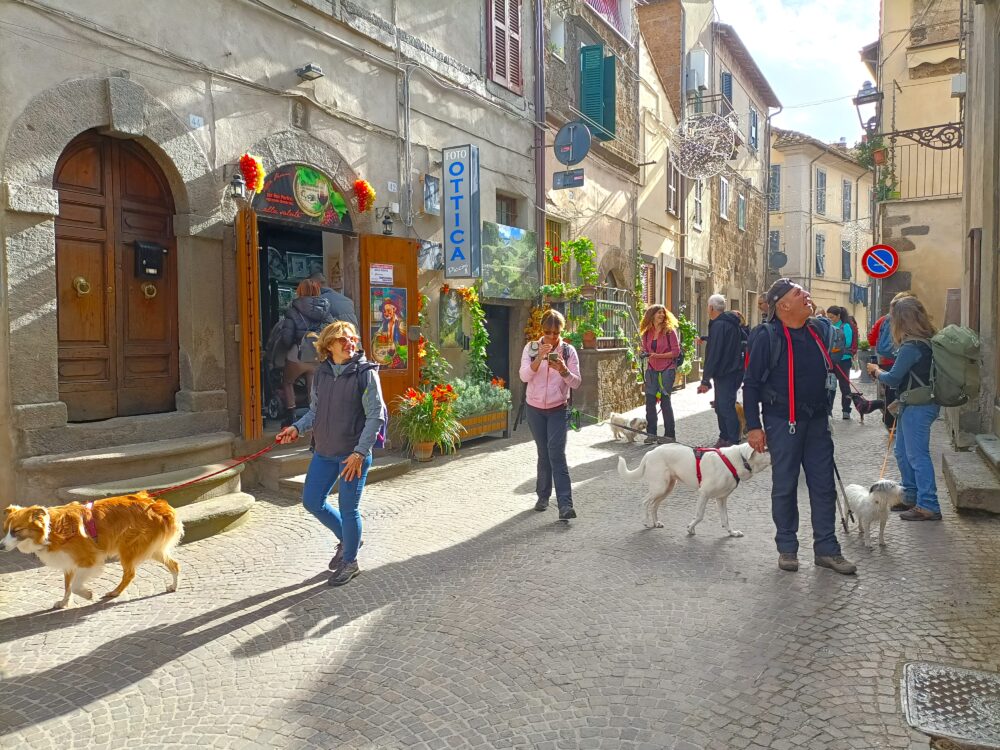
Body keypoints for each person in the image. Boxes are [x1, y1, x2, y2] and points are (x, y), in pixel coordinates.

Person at [743, 278, 856, 575]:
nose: (807, 294)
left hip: (818, 421)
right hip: (782, 422)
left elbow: (840, 346)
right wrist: (753, 427)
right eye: (799, 293)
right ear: (783, 305)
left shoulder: (819, 330)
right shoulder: (766, 336)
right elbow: (751, 383)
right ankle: (787, 548)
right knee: (785, 486)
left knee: (823, 485)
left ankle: (827, 550)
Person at [275, 320, 387, 586]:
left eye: (353, 339)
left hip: (352, 455)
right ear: (328, 345)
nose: (350, 344)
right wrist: (296, 427)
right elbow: (315, 410)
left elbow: (376, 416)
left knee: (349, 509)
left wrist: (360, 453)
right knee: (312, 501)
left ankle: (350, 560)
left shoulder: (365, 373)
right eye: (343, 340)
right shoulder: (322, 373)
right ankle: (351, 539)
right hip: (324, 451)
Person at [867, 296, 942, 521]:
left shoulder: (912, 346)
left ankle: (928, 504)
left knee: (917, 456)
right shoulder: (925, 341)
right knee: (902, 451)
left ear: (901, 320)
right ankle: (910, 497)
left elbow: (893, 377)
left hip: (918, 406)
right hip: (916, 404)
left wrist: (876, 371)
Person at [519, 310, 582, 520]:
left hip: (557, 408)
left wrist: (563, 370)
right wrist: (538, 359)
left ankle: (565, 505)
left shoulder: (568, 351)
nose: (552, 337)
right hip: (534, 408)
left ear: (561, 331)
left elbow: (576, 382)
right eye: (548, 332)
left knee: (556, 453)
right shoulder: (531, 348)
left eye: (556, 333)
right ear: (541, 330)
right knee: (543, 452)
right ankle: (543, 496)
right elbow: (524, 375)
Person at [278, 279, 334, 426]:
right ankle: (313, 416)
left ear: (300, 291)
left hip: (298, 354)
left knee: (288, 381)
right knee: (313, 384)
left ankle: (292, 417)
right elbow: (332, 332)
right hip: (318, 355)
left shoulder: (293, 310)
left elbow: (287, 337)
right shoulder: (326, 310)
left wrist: (286, 347)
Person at [697, 295, 745, 448]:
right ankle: (725, 436)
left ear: (711, 308)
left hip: (727, 372)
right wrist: (707, 338)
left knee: (725, 406)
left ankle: (732, 440)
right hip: (733, 370)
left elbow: (714, 353)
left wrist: (705, 380)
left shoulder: (720, 325)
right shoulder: (729, 323)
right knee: (720, 405)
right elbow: (723, 342)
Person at [868, 291, 914, 430]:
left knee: (890, 391)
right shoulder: (912, 326)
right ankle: (897, 421)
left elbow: (871, 339)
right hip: (903, 362)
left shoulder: (883, 320)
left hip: (886, 361)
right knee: (903, 388)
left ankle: (890, 422)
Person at [639, 305, 681, 445]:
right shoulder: (647, 333)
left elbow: (676, 352)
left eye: (663, 313)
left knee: (665, 401)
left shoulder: (669, 332)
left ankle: (670, 435)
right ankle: (651, 434)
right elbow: (645, 349)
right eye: (659, 313)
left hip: (667, 369)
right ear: (651, 315)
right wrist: (642, 353)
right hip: (651, 369)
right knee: (650, 402)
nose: (662, 315)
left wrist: (658, 355)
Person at [826, 306, 855, 420]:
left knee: (844, 386)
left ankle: (846, 410)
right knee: (830, 386)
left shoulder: (845, 326)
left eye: (832, 317)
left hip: (843, 360)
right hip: (831, 361)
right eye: (828, 317)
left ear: (838, 316)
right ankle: (828, 411)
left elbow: (847, 342)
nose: (830, 319)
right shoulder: (828, 326)